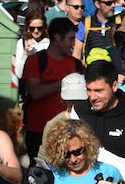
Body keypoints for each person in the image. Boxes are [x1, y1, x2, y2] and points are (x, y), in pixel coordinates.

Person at [75, 60, 125, 170]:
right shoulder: (79, 112)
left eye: (99, 90)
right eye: (89, 90)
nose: (93, 97)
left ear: (114, 86)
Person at [20, 18, 80, 160]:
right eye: (70, 38)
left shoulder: (76, 64)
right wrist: (65, 81)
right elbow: (36, 92)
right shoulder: (35, 61)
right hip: (38, 131)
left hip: (68, 131)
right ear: (57, 37)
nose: (74, 43)